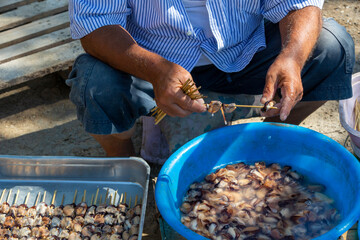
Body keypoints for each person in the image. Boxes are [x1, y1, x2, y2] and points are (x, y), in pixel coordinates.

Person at [67, 0, 355, 157]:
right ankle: (127, 167)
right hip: (154, 65)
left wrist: (291, 56)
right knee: (96, 82)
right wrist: (156, 70)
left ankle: (270, 138)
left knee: (333, 46)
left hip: (246, 51)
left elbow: (298, 3)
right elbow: (96, 23)